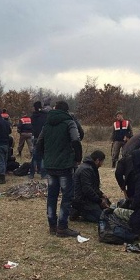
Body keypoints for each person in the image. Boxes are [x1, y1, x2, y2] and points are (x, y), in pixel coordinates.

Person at [37, 100, 82, 237]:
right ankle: (62, 227)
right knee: (66, 197)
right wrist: (77, 158)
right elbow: (76, 140)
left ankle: (52, 225)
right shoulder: (69, 122)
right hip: (65, 166)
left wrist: (45, 159)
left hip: (50, 166)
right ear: (66, 111)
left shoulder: (47, 124)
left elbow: (39, 143)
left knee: (52, 196)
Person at [70, 150, 109, 223]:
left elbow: (93, 186)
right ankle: (78, 211)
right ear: (97, 160)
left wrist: (101, 194)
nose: (101, 164)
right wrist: (99, 201)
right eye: (102, 162)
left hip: (85, 198)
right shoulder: (87, 170)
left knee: (106, 208)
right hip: (82, 200)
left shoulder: (89, 167)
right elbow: (87, 190)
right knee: (102, 217)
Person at [30, 101, 48, 179]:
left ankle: (32, 173)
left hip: (36, 137)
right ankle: (43, 174)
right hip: (44, 138)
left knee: (35, 156)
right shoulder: (45, 115)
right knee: (44, 156)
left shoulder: (33, 116)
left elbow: (32, 127)